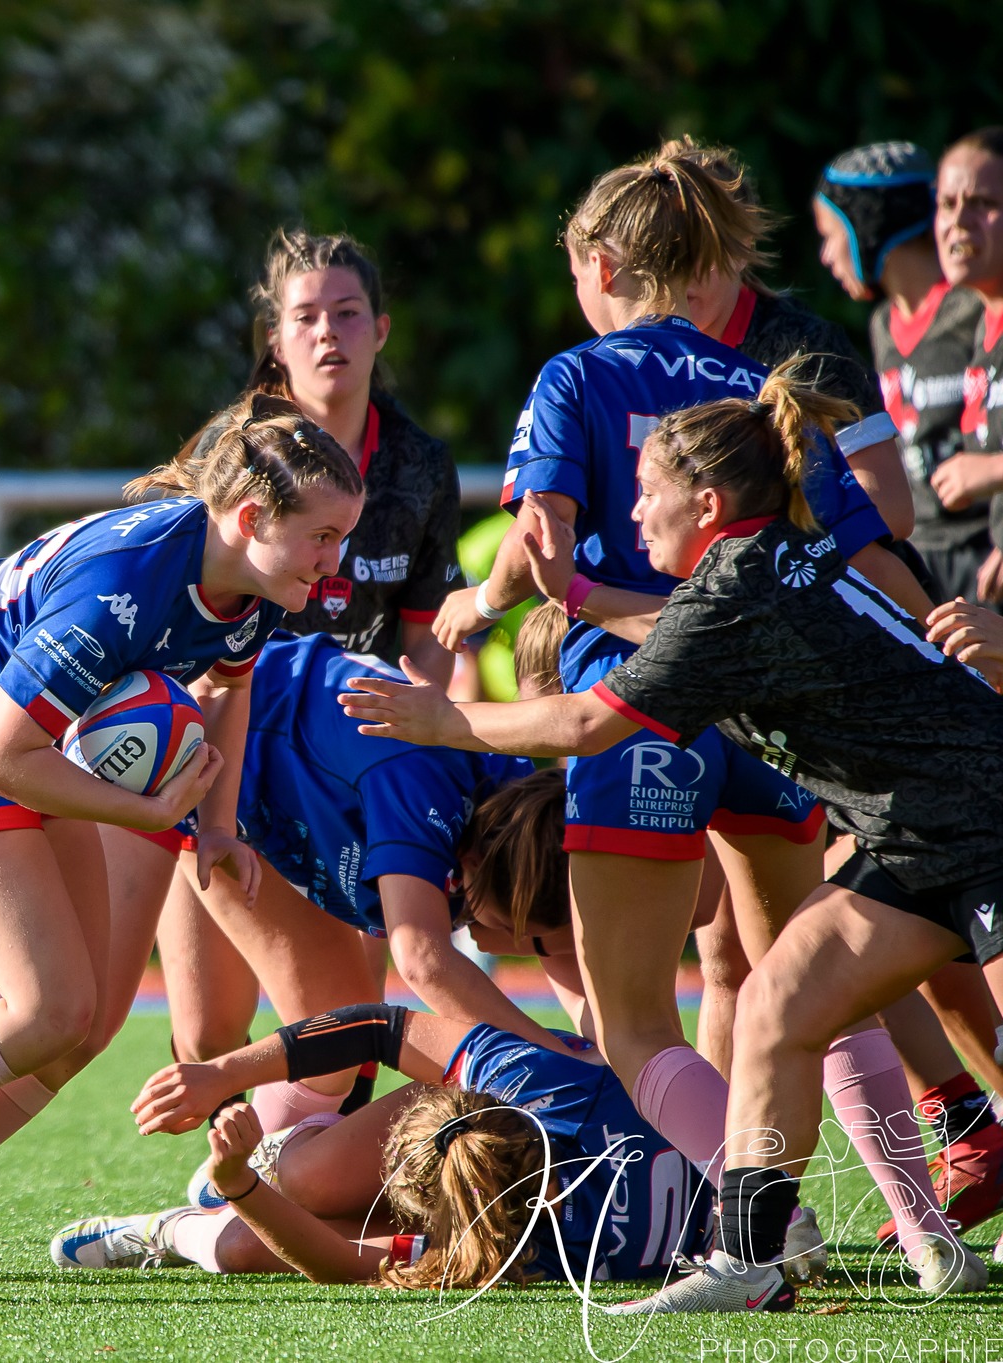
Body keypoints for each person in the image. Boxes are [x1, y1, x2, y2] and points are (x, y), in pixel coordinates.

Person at [342, 362, 1001, 1308]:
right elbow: (680, 630)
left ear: (704, 502)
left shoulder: (736, 587)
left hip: (983, 818)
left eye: (645, 490)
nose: (633, 512)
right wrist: (578, 597)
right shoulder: (756, 568)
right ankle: (747, 1259)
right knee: (777, 1004)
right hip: (915, 839)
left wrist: (442, 721)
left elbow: (583, 727)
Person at [426, 148, 964, 1274]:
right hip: (767, 723)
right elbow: (868, 548)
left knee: (635, 1022)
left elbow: (542, 553)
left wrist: (474, 610)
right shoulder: (748, 392)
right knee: (803, 988)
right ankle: (927, 1237)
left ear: (603, 260)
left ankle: (757, 1223)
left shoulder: (574, 377)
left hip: (638, 714)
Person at [0, 394, 366, 1304]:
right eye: (323, 536)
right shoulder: (120, 586)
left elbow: (226, 687)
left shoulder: (252, 581)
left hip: (39, 748)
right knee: (47, 1005)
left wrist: (215, 824)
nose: (336, 563)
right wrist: (148, 806)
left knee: (80, 1027)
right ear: (250, 519)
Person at [157, 230, 461, 1091]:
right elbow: (172, 612)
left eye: (348, 312)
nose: (328, 332)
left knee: (344, 1011)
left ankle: (309, 1194)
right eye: (306, 316)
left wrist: (420, 748)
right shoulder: (230, 453)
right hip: (219, 748)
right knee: (209, 1025)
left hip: (345, 771)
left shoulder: (419, 465)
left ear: (382, 330)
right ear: (276, 339)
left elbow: (425, 635)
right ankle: (228, 1187)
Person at [171, 634, 577, 1137]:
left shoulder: (520, 817)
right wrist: (555, 1063)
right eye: (518, 930)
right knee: (175, 1030)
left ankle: (243, 1187)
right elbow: (423, 960)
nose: (520, 948)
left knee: (320, 1028)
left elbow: (573, 965)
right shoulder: (421, 792)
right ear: (469, 863)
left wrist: (610, 1060)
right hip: (203, 750)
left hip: (279, 770)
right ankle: (241, 1193)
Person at [54, 1007, 731, 1291]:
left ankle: (169, 1229)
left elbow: (335, 1261)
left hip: (512, 1204)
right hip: (516, 1157)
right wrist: (226, 1074)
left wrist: (237, 1188)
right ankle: (281, 1162)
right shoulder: (532, 1076)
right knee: (311, 1178)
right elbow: (381, 1025)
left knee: (237, 1247)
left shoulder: (515, 1256)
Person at [663, 137, 915, 545]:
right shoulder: (634, 357)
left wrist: (754, 555)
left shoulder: (806, 350)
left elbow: (891, 509)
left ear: (743, 246)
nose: (682, 270)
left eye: (702, 247)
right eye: (667, 251)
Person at [816, 141, 992, 602]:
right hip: (923, 558)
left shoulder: (973, 307)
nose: (825, 255)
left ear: (867, 228)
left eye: (831, 233)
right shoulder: (881, 327)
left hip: (984, 550)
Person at [935, 130, 1003, 602]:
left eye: (982, 202)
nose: (960, 220)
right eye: (947, 203)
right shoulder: (980, 324)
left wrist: (989, 471)